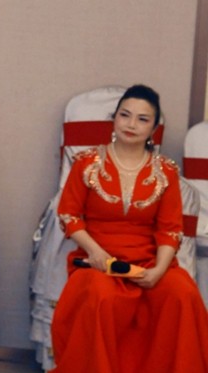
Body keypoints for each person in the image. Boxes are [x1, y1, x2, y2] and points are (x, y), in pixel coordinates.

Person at [51, 84, 208, 373]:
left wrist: (159, 270)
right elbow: (69, 215)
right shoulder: (86, 163)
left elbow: (170, 229)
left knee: (182, 293)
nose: (131, 124)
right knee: (101, 296)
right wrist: (95, 252)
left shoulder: (166, 172)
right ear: (114, 118)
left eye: (142, 119)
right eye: (125, 115)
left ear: (154, 129)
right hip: (98, 262)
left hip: (149, 261)